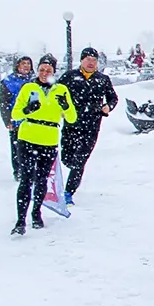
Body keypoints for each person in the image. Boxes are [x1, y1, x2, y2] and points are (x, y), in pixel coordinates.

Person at [10, 54, 77, 235]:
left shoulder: (61, 89)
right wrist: (27, 110)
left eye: (48, 70)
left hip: (48, 139)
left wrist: (66, 106)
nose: (44, 73)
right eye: (41, 69)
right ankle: (20, 219)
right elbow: (15, 114)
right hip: (28, 137)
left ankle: (36, 212)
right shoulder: (29, 88)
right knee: (26, 179)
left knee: (41, 179)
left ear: (54, 72)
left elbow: (72, 118)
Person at [57, 47, 119, 205]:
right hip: (71, 125)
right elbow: (56, 94)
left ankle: (69, 192)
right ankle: (73, 169)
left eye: (94, 60)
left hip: (91, 125)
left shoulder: (102, 79)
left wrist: (108, 107)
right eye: (88, 59)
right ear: (82, 60)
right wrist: (60, 109)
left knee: (80, 161)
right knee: (67, 158)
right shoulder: (70, 77)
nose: (91, 63)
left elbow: (113, 98)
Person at [0, 55, 34, 181]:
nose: (26, 66)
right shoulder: (9, 81)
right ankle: (19, 171)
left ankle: (32, 170)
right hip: (17, 120)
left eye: (28, 63)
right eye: (23, 63)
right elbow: (4, 103)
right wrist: (8, 120)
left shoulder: (35, 80)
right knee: (17, 148)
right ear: (17, 66)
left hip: (33, 121)